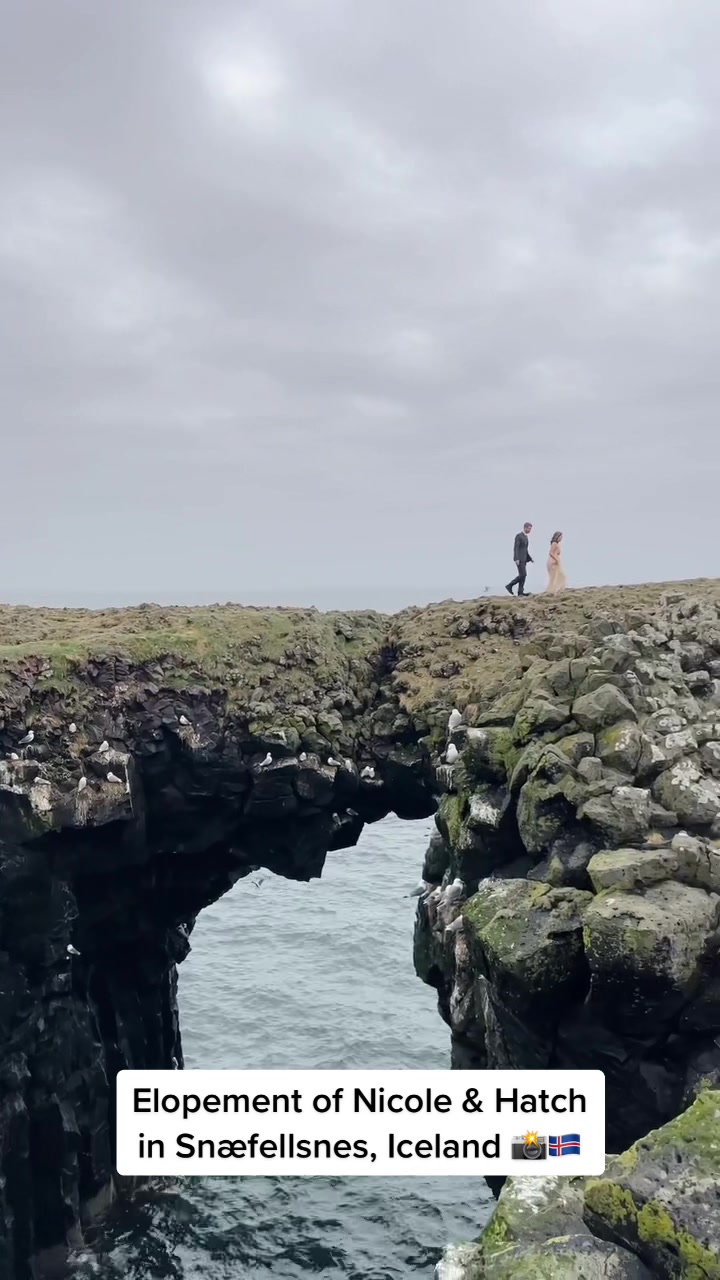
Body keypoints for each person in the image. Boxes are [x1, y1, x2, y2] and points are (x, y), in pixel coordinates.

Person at [506, 522, 533, 596]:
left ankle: (520, 592)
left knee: (523, 575)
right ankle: (510, 585)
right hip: (519, 559)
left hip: (524, 559)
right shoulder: (519, 536)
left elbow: (525, 549)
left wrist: (530, 558)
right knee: (523, 574)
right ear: (525, 528)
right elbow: (516, 548)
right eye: (529, 528)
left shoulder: (526, 537)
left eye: (530, 529)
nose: (530, 530)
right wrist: (516, 558)